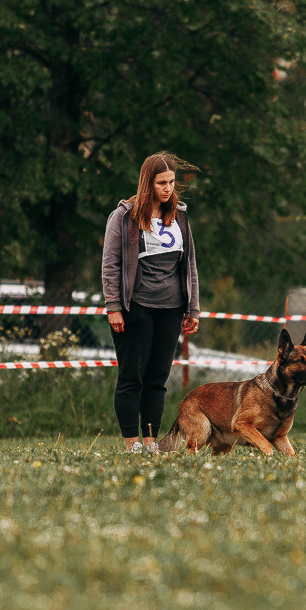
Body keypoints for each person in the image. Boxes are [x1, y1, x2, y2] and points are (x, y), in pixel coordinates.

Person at [101, 152, 201, 452]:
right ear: (148, 183)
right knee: (133, 375)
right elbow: (110, 264)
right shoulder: (124, 216)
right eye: (161, 183)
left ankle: (150, 442)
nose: (167, 188)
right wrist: (113, 306)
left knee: (158, 378)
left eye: (171, 182)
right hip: (136, 307)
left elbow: (190, 265)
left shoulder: (180, 216)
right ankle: (131, 443)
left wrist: (192, 307)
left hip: (171, 308)